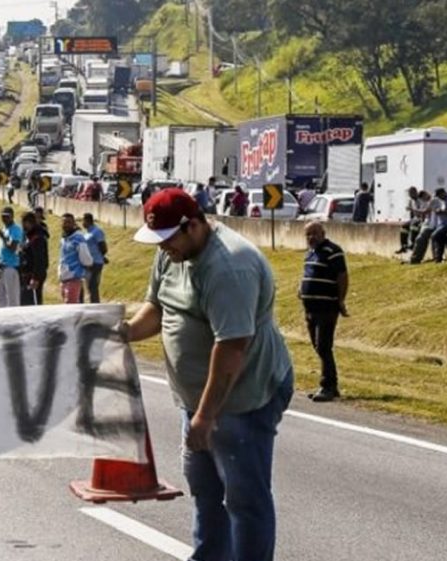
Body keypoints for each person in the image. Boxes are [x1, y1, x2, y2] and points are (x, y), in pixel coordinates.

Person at [123, 189, 293, 561]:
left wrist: (205, 416)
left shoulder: (230, 266)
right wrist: (128, 331)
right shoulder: (172, 252)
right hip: (199, 399)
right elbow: (158, 305)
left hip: (242, 396)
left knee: (244, 497)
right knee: (205, 490)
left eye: (168, 239)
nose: (163, 247)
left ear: (194, 225)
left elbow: (232, 346)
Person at [299, 221, 348, 402]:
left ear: (323, 233)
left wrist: (341, 300)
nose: (311, 237)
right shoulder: (310, 253)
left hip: (326, 307)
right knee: (317, 346)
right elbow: (308, 274)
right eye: (308, 234)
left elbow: (342, 275)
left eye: (314, 233)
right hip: (310, 308)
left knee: (323, 346)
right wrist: (301, 289)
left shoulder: (332, 251)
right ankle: (329, 384)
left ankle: (328, 385)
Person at [58, 213, 91, 304]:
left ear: (74, 224)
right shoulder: (64, 238)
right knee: (66, 306)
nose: (66, 225)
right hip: (64, 279)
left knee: (71, 307)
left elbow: (86, 259)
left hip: (73, 278)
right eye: (64, 222)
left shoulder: (78, 239)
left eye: (69, 222)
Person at [0, 207, 23, 308]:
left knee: (12, 299)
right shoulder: (4, 229)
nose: (4, 219)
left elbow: (13, 248)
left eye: (7, 216)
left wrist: (3, 237)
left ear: (12, 216)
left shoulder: (16, 230)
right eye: (3, 216)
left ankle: (14, 321)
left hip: (11, 267)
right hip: (1, 267)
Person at [18, 211, 48, 306]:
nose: (23, 227)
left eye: (24, 224)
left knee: (31, 303)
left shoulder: (37, 238)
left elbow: (39, 260)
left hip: (32, 276)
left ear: (29, 223)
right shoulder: (30, 237)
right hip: (26, 274)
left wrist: (35, 278)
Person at [81, 212, 108, 303]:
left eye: (83, 220)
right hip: (89, 263)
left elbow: (102, 246)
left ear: (88, 220)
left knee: (93, 286)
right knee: (89, 286)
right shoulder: (87, 233)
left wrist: (101, 256)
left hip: (96, 263)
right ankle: (92, 303)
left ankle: (95, 305)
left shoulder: (97, 231)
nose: (82, 223)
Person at [430, 188, 447, 262]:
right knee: (440, 241)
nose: (438, 197)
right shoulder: (440, 201)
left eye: (439, 195)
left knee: (434, 236)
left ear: (443, 193)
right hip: (440, 224)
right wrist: (437, 211)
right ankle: (438, 259)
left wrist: (442, 211)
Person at [396, 187, 424, 254]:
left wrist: (412, 209)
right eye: (409, 194)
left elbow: (422, 212)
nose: (410, 196)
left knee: (414, 227)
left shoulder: (420, 200)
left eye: (411, 194)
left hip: (421, 219)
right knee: (404, 227)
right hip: (414, 219)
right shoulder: (411, 201)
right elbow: (411, 213)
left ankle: (413, 244)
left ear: (415, 192)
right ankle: (404, 246)